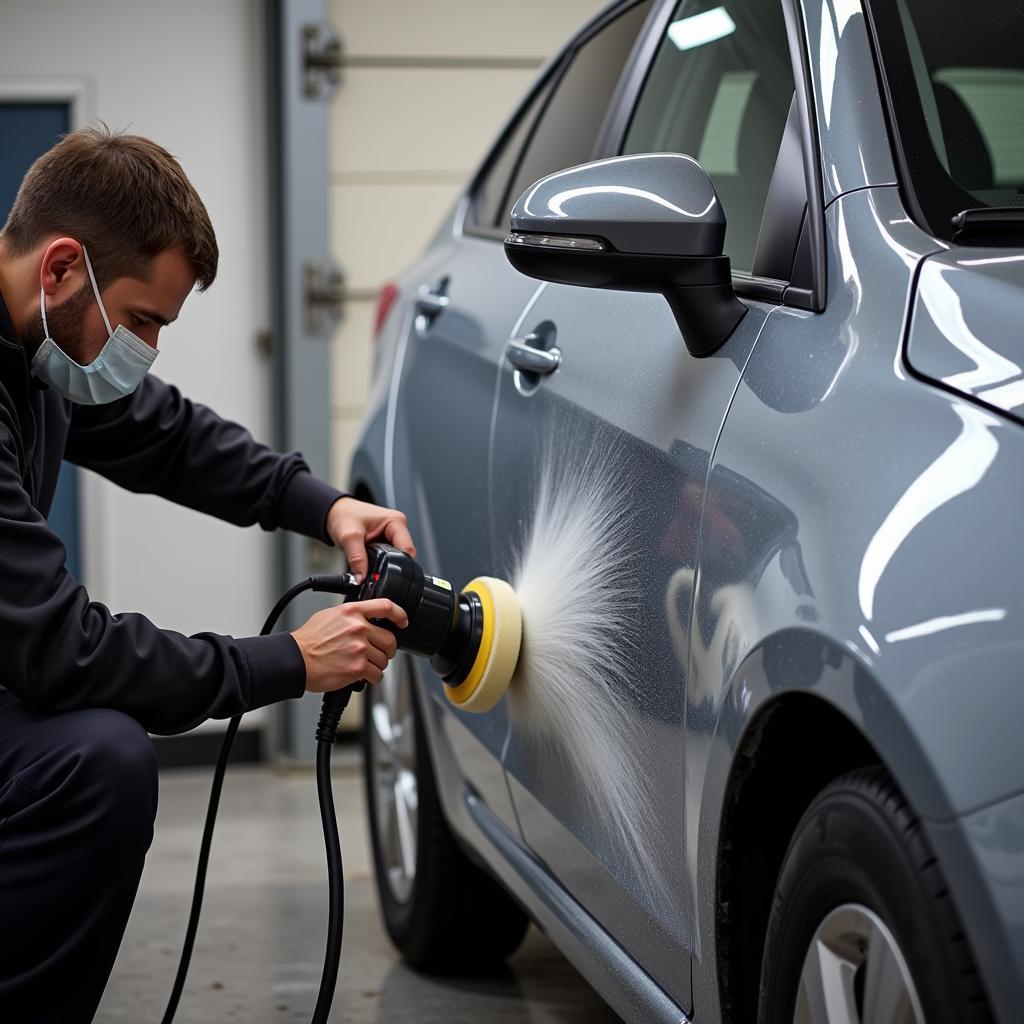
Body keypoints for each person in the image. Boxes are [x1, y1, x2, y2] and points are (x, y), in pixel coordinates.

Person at [0, 126, 415, 1023]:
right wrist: (288, 664)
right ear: (62, 267)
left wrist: (320, 504)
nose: (148, 347)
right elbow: (61, 653)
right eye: (144, 320)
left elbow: (166, 437)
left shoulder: (39, 348)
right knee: (98, 764)